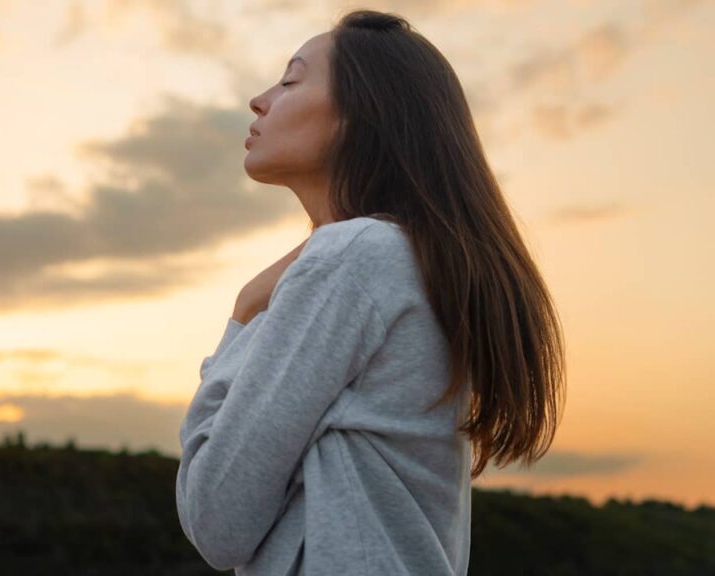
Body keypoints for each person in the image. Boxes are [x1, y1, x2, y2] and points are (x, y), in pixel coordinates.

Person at [176, 8, 566, 576]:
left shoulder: (355, 257)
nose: (260, 100)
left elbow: (216, 519)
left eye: (290, 81)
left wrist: (242, 316)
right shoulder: (411, 261)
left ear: (360, 114)